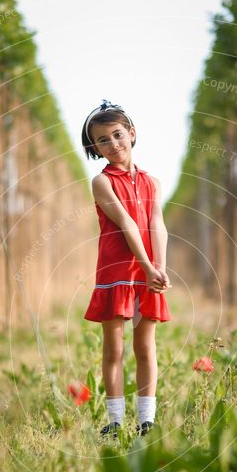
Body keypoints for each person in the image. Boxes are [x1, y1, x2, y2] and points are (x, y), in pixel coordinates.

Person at [81, 100, 172, 439]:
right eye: (103, 140)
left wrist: (158, 268)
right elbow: (127, 225)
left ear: (131, 134)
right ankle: (115, 420)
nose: (113, 143)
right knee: (114, 348)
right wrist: (147, 266)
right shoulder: (101, 182)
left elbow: (155, 223)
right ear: (95, 147)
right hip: (117, 269)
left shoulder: (153, 183)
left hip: (148, 272)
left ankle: (147, 420)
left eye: (118, 134)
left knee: (146, 347)